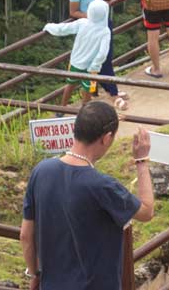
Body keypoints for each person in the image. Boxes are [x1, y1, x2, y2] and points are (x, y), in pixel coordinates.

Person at [21, 102, 155, 290]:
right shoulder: (102, 185)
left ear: (75, 128)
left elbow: (26, 236)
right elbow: (147, 211)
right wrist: (141, 160)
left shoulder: (41, 171)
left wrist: (34, 273)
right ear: (107, 138)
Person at [69, 0, 122, 101]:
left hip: (104, 26)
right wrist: (90, 16)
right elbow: (73, 12)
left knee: (105, 57)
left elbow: (101, 1)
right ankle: (110, 92)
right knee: (92, 61)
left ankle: (101, 91)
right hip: (89, 29)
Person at [44, 0, 112, 107]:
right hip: (91, 68)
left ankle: (62, 109)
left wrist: (49, 27)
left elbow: (63, 29)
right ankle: (84, 113)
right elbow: (103, 53)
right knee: (88, 90)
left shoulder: (82, 23)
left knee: (70, 85)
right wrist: (95, 65)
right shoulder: (105, 31)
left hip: (76, 62)